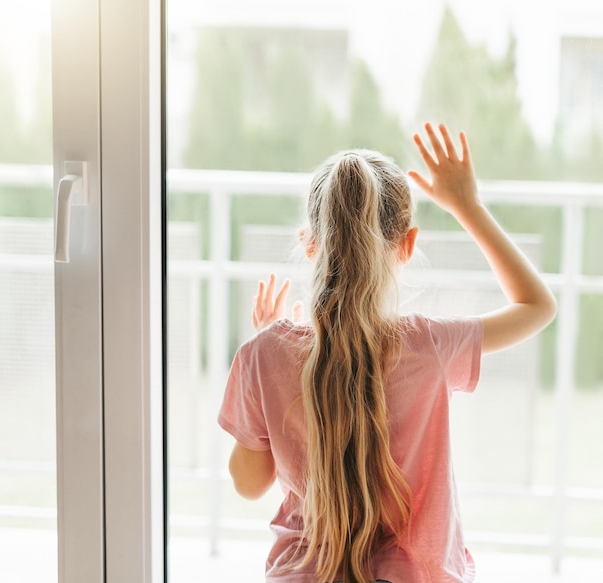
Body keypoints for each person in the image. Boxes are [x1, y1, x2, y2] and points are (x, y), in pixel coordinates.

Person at [218, 123, 556, 583]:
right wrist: (467, 206)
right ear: (408, 245)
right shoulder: (430, 346)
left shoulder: (263, 355)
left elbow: (248, 482)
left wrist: (265, 349)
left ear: (309, 245)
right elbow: (537, 306)